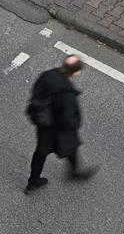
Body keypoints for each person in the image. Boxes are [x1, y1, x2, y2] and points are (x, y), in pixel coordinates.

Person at [25, 55, 99, 194]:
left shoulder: (48, 75)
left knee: (41, 151)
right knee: (71, 146)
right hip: (58, 128)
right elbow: (68, 120)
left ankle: (33, 181)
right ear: (76, 72)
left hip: (44, 123)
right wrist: (76, 123)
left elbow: (36, 91)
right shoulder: (66, 93)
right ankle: (74, 172)